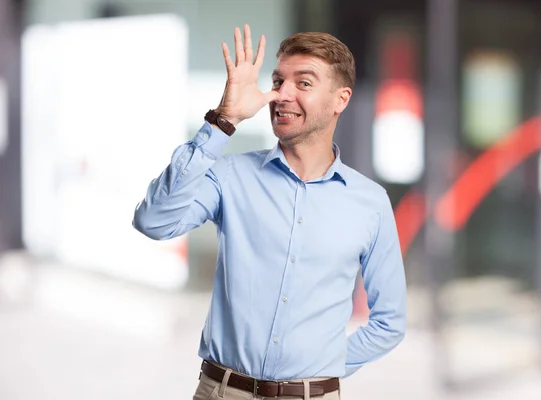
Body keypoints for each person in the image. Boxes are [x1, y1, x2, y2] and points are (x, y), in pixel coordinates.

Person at [133, 24, 407, 400]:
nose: (282, 95)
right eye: (278, 81)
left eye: (304, 83)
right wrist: (223, 121)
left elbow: (390, 321)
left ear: (340, 99)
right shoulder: (230, 175)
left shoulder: (370, 202)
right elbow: (153, 221)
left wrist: (321, 368)